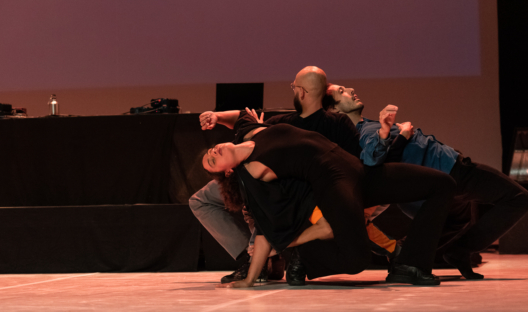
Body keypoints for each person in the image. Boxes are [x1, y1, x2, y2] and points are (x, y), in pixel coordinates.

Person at [203, 109, 456, 288]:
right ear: (228, 171)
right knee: (357, 260)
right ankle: (305, 256)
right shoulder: (253, 174)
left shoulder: (250, 132)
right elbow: (264, 228)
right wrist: (250, 279)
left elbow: (240, 116)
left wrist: (216, 116)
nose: (213, 152)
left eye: (210, 151)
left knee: (442, 185)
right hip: (334, 184)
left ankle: (411, 264)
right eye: (212, 161)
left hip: (359, 170)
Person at [191, 67, 397, 285]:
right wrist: (220, 117)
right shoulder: (282, 122)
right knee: (213, 199)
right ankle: (253, 260)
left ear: (304, 93)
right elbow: (245, 122)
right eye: (341, 91)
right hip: (256, 177)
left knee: (269, 201)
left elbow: (352, 168)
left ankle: (268, 259)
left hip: (304, 189)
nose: (351, 91)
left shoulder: (337, 124)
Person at [326, 84, 528, 280]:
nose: (350, 90)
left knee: (457, 217)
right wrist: (395, 133)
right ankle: (456, 252)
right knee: (518, 198)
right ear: (333, 110)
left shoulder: (365, 126)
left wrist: (398, 135)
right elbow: (372, 160)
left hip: (437, 173)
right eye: (341, 92)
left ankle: (406, 256)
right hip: (445, 169)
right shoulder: (360, 132)